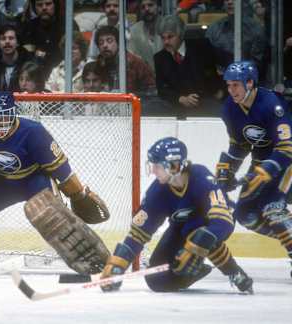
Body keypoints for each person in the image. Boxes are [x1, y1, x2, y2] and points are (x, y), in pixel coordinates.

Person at [0, 91, 111, 275]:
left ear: (14, 114)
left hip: (35, 180)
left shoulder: (33, 131)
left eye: (4, 116)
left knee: (50, 214)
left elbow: (61, 170)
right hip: (2, 181)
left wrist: (78, 193)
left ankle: (90, 258)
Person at [100, 137, 254, 294]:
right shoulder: (157, 192)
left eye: (157, 166)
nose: (153, 170)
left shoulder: (202, 179)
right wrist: (117, 264)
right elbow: (139, 233)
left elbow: (223, 223)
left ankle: (235, 272)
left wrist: (194, 248)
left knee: (197, 233)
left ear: (174, 166)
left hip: (213, 224)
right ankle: (195, 269)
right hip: (181, 227)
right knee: (156, 280)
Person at [215, 61, 292, 278]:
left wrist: (266, 170)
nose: (231, 91)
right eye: (229, 86)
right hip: (261, 162)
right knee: (245, 214)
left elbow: (286, 146)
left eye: (236, 85)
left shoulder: (271, 104)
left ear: (250, 83)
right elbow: (240, 145)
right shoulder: (229, 108)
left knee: (272, 209)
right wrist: (226, 169)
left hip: (286, 161)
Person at [154, 14, 223, 118]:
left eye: (170, 37)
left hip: (207, 103)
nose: (166, 42)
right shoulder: (160, 58)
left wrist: (222, 90)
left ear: (181, 35)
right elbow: (162, 89)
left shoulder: (202, 47)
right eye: (163, 38)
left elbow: (228, 61)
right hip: (177, 108)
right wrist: (181, 98)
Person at [95, 25, 156, 95]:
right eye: (101, 42)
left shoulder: (135, 62)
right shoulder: (100, 64)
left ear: (118, 43)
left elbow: (152, 90)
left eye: (109, 41)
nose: (105, 45)